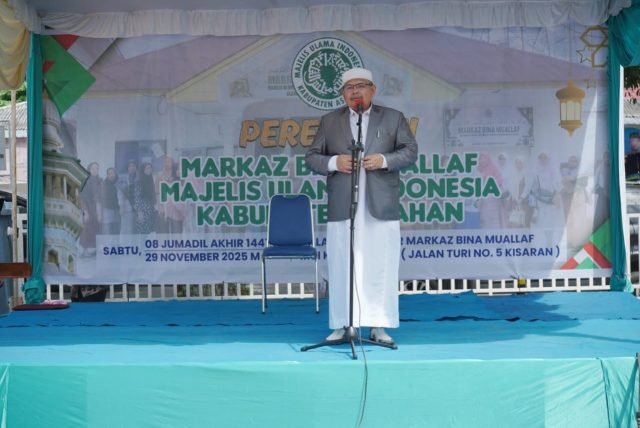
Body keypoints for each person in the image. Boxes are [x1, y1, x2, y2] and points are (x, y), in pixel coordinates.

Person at [305, 67, 418, 345]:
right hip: (343, 205)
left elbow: (410, 152)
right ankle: (343, 325)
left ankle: (379, 326)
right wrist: (334, 162)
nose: (355, 91)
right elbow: (311, 157)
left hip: (381, 205)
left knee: (380, 266)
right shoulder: (330, 121)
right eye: (349, 87)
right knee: (343, 265)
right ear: (343, 93)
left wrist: (384, 160)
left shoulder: (393, 118)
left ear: (373, 90)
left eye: (361, 86)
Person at [79, 162, 102, 257]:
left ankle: (96, 249)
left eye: (96, 168)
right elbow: (82, 197)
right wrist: (85, 211)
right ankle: (85, 250)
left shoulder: (100, 181)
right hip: (88, 207)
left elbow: (102, 196)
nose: (95, 170)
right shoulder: (85, 181)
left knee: (97, 228)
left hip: (98, 207)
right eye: (93, 168)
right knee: (86, 228)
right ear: (89, 169)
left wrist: (100, 211)